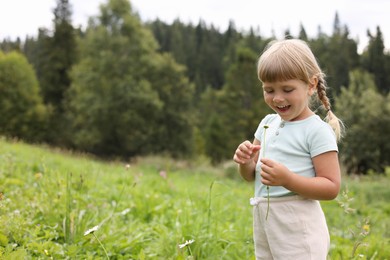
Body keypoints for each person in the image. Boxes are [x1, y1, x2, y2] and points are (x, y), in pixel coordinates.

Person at [233, 38, 344, 260]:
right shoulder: (266, 123)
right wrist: (245, 162)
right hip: (265, 219)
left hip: (298, 223)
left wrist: (288, 180)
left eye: (287, 89)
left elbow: (331, 187)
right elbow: (250, 176)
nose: (277, 98)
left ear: (311, 85)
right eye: (269, 89)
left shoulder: (316, 131)